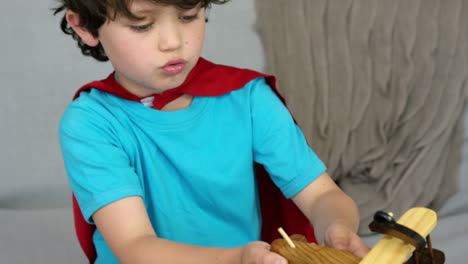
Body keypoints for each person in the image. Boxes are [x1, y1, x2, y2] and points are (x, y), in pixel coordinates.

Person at [54, 0, 370, 263]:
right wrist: (235, 259)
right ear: (84, 26)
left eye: (188, 16)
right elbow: (135, 245)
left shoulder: (248, 97)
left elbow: (321, 195)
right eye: (142, 25)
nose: (173, 42)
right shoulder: (90, 122)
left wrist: (336, 226)